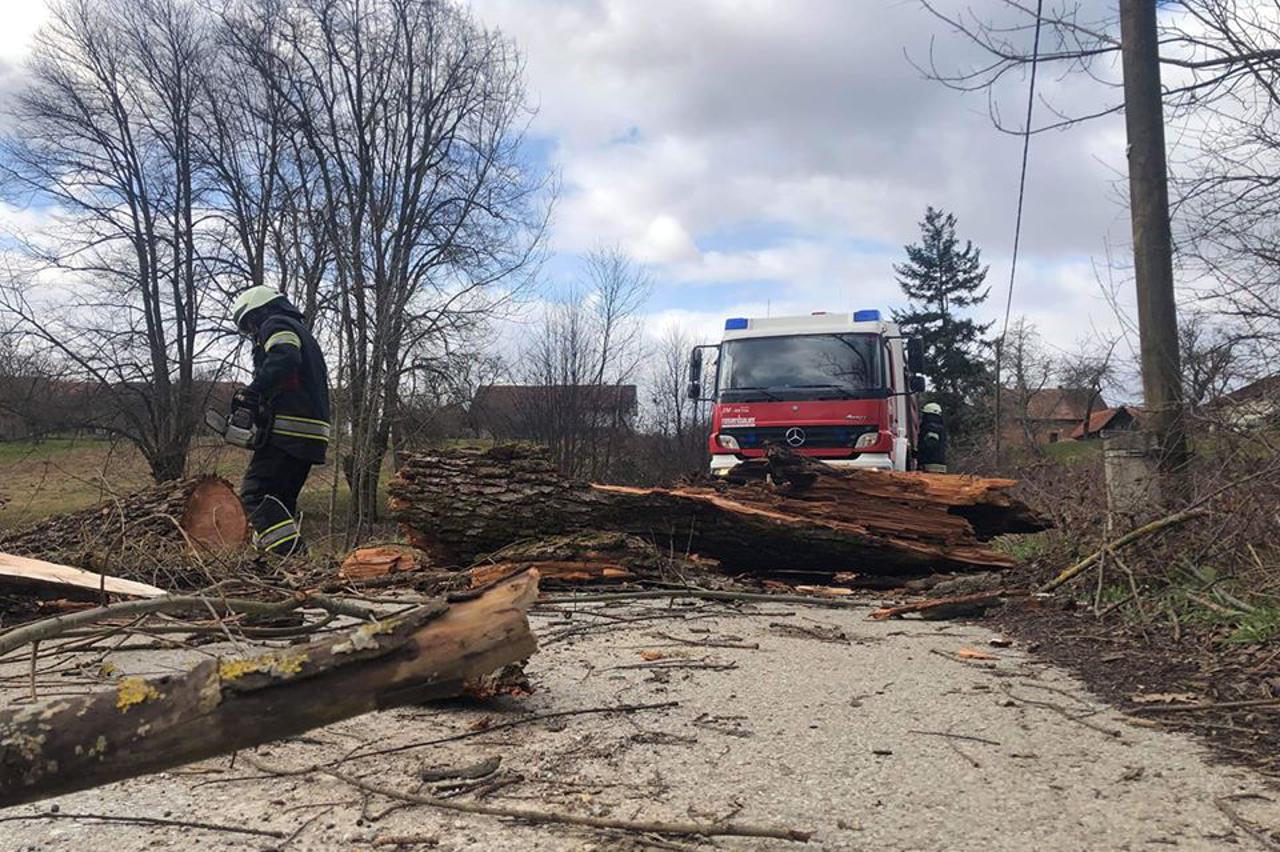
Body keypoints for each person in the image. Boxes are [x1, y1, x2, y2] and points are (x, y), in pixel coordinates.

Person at [229, 286, 331, 556]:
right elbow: (291, 379)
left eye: (250, 324)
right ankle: (275, 562)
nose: (252, 332)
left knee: (255, 495)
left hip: (289, 432)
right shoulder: (303, 334)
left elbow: (285, 357)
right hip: (310, 434)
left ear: (260, 310)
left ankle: (293, 557)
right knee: (279, 503)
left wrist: (253, 391)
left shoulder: (276, 323)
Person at [917, 401, 948, 473]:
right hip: (940, 466)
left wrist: (918, 454)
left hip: (930, 467)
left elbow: (931, 445)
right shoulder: (940, 428)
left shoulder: (931, 427)